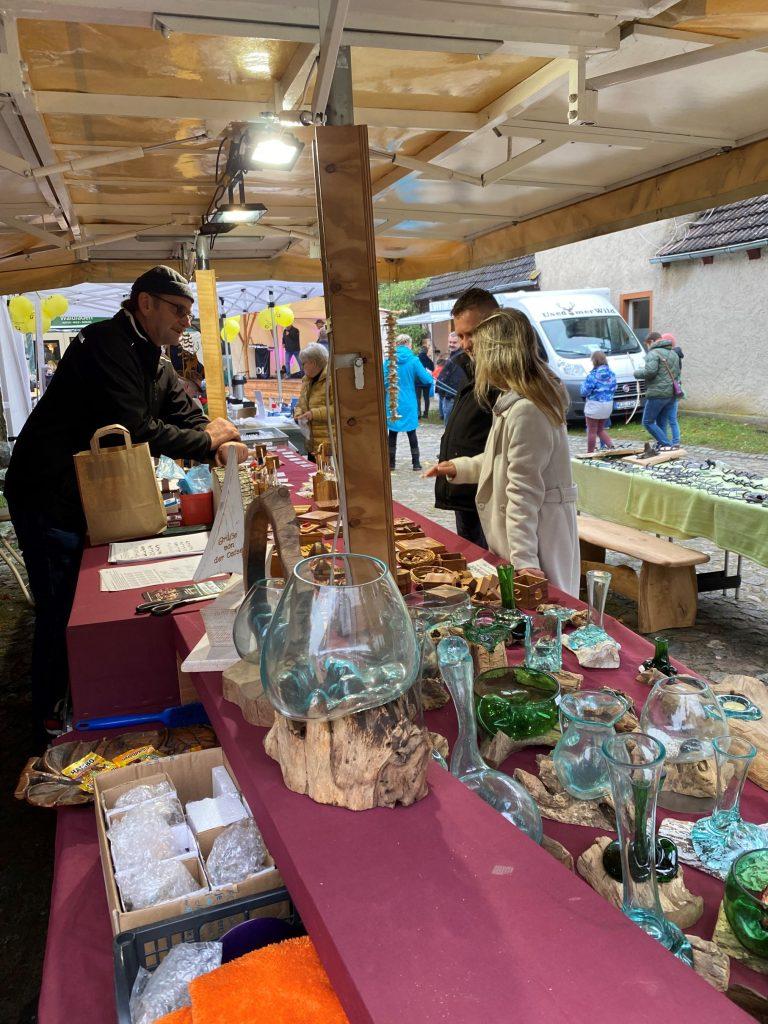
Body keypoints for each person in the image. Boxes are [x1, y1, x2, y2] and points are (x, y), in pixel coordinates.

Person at [3, 265, 248, 742]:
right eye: (177, 310)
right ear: (145, 302)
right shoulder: (105, 343)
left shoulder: (153, 355)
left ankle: (75, 693)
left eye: (188, 313)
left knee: (71, 599)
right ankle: (51, 718)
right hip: (47, 492)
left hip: (85, 494)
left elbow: (183, 412)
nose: (184, 321)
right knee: (60, 608)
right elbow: (137, 429)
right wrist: (206, 441)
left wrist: (215, 436)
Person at [426, 309, 579, 595]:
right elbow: (500, 459)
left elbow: (524, 490)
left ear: (498, 355)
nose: (473, 356)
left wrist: (524, 562)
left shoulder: (527, 409)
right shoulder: (515, 401)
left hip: (536, 541)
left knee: (543, 607)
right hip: (526, 536)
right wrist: (460, 467)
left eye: (479, 351)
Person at [434, 288, 499, 547]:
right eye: (460, 335)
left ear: (494, 325)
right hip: (466, 490)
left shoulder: (508, 377)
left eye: (471, 334)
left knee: (492, 567)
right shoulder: (470, 366)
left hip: (490, 495)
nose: (465, 343)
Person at [384, 334, 434, 471]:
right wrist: (429, 375)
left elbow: (383, 381)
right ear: (408, 344)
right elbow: (426, 379)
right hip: (409, 401)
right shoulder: (414, 360)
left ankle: (391, 463)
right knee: (411, 432)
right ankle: (416, 463)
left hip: (392, 400)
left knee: (392, 432)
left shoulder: (388, 361)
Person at [634, 333, 681, 448]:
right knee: (661, 422)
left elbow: (650, 372)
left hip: (657, 393)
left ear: (652, 341)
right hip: (671, 393)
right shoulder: (673, 353)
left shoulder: (653, 354)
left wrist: (637, 373)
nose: (647, 347)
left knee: (648, 422)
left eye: (647, 344)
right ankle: (663, 446)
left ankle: (667, 445)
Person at [293, 342, 335, 460]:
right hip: (312, 444)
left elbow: (338, 409)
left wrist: (313, 414)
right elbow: (301, 403)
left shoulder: (332, 379)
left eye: (304, 363)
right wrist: (298, 413)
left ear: (313, 363)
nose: (302, 366)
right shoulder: (306, 380)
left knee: (327, 476)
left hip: (328, 445)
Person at [580, 350, 616, 453]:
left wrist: (582, 385)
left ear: (594, 361)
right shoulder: (612, 374)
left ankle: (589, 454)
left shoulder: (593, 375)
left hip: (594, 405)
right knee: (600, 429)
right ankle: (611, 447)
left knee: (592, 431)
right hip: (608, 405)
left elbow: (584, 391)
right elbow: (614, 388)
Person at [434, 331, 467, 424]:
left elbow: (458, 379)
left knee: (450, 425)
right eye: (450, 342)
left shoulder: (460, 357)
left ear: (460, 342)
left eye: (454, 342)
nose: (451, 345)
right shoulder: (453, 355)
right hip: (448, 396)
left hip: (452, 397)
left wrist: (449, 394)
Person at [658, 332, 683, 446]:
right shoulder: (677, 355)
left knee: (663, 419)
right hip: (676, 387)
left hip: (667, 389)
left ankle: (664, 442)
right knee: (672, 418)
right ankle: (676, 441)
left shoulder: (668, 356)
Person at [416, 342, 434, 418]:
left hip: (417, 381)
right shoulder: (430, 361)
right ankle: (426, 414)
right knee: (426, 398)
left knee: (418, 398)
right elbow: (432, 370)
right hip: (426, 382)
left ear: (420, 351)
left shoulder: (416, 360)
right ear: (426, 352)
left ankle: (418, 414)